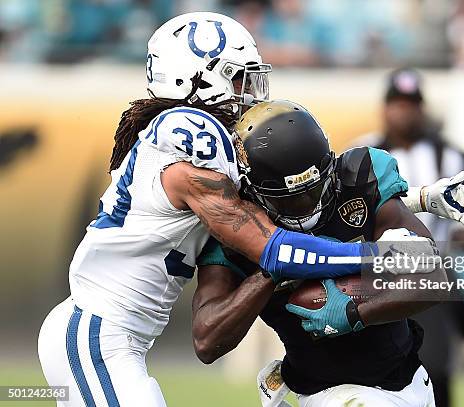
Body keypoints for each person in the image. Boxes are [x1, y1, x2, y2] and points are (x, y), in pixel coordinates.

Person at [37, 13, 392, 407]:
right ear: (200, 79)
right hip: (97, 332)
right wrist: (374, 256)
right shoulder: (190, 145)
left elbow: (289, 200)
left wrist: (418, 199)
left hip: (109, 333)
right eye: (239, 77)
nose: (250, 90)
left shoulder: (192, 145)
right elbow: (274, 250)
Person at [193, 100, 464, 407]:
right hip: (327, 392)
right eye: (292, 201)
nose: (308, 206)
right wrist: (273, 268)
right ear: (254, 192)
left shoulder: (360, 177)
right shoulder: (236, 229)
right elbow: (206, 340)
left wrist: (355, 313)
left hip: (407, 380)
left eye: (315, 190)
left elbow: (434, 277)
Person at [353, 68, 464, 407]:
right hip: (377, 272)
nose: (404, 112)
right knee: (375, 362)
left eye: (412, 104)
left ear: (423, 108)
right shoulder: (362, 152)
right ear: (385, 107)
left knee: (434, 361)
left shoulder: (449, 155)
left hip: (432, 268)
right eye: (398, 103)